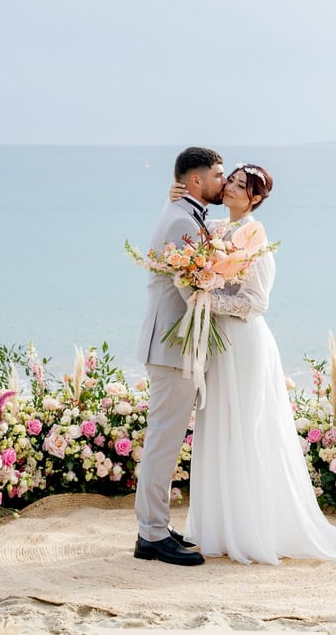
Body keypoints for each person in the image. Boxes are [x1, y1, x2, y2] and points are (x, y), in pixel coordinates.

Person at [173, 163, 336, 565]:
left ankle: (250, 529)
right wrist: (174, 201)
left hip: (244, 343)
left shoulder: (254, 237)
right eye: (230, 180)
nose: (230, 187)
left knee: (246, 429)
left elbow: (257, 302)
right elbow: (190, 239)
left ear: (256, 199)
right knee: (217, 425)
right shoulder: (216, 228)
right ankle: (218, 527)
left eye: (241, 186)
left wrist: (208, 298)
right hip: (219, 345)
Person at [134, 146, 225, 566]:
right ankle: (150, 536)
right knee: (163, 442)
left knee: (167, 441)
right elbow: (191, 289)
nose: (222, 182)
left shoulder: (185, 214)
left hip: (177, 345)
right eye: (218, 175)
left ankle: (155, 525)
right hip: (172, 346)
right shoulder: (180, 220)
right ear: (196, 181)